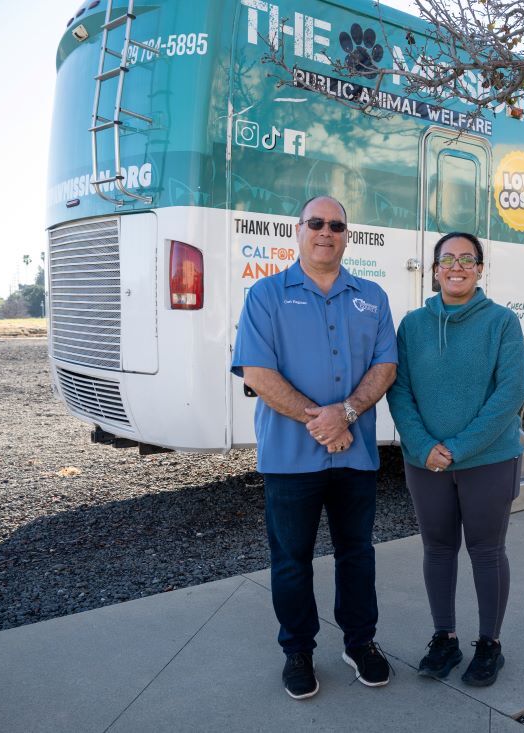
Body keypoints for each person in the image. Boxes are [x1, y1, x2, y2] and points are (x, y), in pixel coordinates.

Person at [231, 196, 397, 700]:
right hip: (289, 460)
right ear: (297, 230)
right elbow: (258, 373)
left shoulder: (372, 296)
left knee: (357, 555)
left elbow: (385, 367)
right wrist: (324, 422)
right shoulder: (266, 295)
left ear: (348, 235)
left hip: (355, 455)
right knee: (290, 561)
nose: (327, 231)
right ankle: (297, 651)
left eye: (338, 225)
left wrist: (343, 415)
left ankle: (360, 643)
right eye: (317, 223)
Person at [386, 232, 524, 687]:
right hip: (425, 462)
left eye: (468, 259)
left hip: (487, 460)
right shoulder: (412, 325)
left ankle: (489, 645)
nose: (457, 266)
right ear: (434, 269)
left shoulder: (502, 323)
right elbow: (399, 388)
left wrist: (460, 447)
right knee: (438, 549)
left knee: (487, 551)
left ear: (480, 269)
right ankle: (443, 638)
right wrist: (423, 444)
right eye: (448, 258)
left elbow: (511, 393)